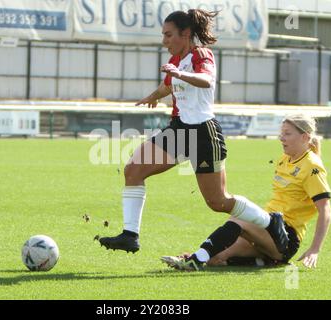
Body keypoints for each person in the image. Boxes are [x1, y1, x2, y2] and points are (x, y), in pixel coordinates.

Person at [98, 9, 289, 254]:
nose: (164, 41)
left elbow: (206, 79)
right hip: (179, 130)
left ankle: (270, 221)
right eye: (163, 35)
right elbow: (167, 85)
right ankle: (130, 235)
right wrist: (153, 96)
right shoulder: (176, 61)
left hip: (203, 133)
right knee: (133, 170)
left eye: (168, 35)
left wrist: (179, 74)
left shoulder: (201, 54)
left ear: (185, 33)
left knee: (218, 202)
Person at [161, 115, 331, 270]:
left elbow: (325, 210)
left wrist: (314, 249)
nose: (281, 138)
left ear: (305, 137)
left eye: (287, 134)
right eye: (282, 133)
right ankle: (263, 261)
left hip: (286, 236)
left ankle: (195, 260)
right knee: (215, 259)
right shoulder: (283, 159)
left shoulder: (312, 167)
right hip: (266, 228)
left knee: (240, 216)